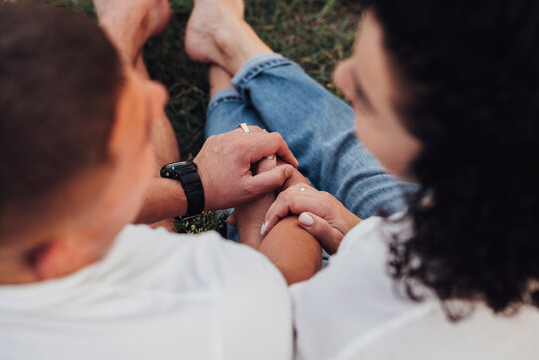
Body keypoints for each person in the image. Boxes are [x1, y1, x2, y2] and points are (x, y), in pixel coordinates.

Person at [185, 0, 539, 358]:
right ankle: (228, 48)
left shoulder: (377, 319)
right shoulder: (497, 204)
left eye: (364, 97)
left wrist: (256, 226)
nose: (338, 76)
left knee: (312, 164)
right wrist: (357, 231)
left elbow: (260, 333)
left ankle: (226, 66)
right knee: (353, 155)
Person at [0, 1, 350, 358]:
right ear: (66, 250)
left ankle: (126, 30)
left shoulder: (33, 249)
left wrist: (201, 185)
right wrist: (289, 201)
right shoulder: (211, 308)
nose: (155, 98)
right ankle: (130, 26)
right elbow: (284, 284)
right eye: (132, 138)